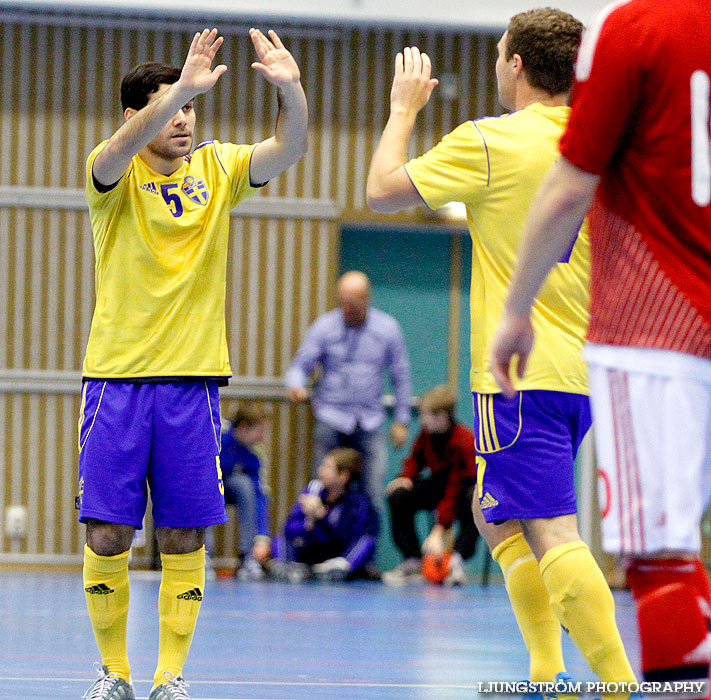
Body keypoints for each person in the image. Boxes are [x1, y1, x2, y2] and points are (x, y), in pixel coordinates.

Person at [366, 9, 637, 700]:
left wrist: (401, 111)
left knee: (549, 525)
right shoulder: (597, 142)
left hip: (518, 371)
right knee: (494, 511)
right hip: (583, 367)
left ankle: (616, 681)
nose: (494, 64)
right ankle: (547, 669)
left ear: (516, 64)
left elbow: (381, 190)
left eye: (496, 54)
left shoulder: (490, 141)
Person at [77, 27, 307, 700]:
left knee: (182, 533)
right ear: (134, 114)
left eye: (189, 108)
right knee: (109, 530)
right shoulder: (111, 172)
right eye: (170, 106)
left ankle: (168, 676)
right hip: (117, 380)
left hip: (192, 383)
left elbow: (288, 147)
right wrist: (179, 84)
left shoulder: (218, 168)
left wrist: (288, 89)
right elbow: (114, 154)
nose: (182, 118)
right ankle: (112, 672)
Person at [491, 0, 711, 692]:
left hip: (657, 329)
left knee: (661, 557)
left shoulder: (635, 26)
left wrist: (515, 309)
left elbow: (568, 184)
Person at [285, 270, 412, 512]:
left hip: (370, 421)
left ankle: (365, 548)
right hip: (331, 417)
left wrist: (401, 420)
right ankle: (319, 547)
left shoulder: (388, 329)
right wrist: (295, 384)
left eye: (352, 304)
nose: (346, 309)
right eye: (342, 302)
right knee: (321, 487)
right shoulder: (324, 327)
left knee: (372, 491)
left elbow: (401, 375)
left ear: (366, 299)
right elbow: (300, 366)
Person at [382, 384, 479, 586]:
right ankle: (413, 559)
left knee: (474, 501)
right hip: (439, 485)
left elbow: (455, 486)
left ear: (442, 416)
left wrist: (439, 529)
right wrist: (406, 477)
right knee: (398, 495)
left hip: (462, 489)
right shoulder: (426, 434)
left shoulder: (464, 440)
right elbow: (415, 459)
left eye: (425, 415)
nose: (422, 419)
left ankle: (457, 560)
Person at [269, 447, 380, 582]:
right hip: (311, 550)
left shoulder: (357, 502)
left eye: (327, 468)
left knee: (367, 542)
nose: (321, 471)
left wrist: (322, 517)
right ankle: (284, 567)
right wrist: (308, 523)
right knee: (280, 539)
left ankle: (338, 570)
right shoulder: (312, 491)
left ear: (343, 476)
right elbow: (288, 528)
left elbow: (346, 537)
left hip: (338, 555)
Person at [219, 402, 271, 581]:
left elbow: (260, 493)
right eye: (258, 432)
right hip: (206, 489)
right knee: (205, 488)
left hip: (231, 489)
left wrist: (262, 536)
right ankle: (203, 556)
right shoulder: (218, 436)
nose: (261, 438)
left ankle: (248, 558)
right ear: (242, 428)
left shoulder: (255, 451)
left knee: (245, 485)